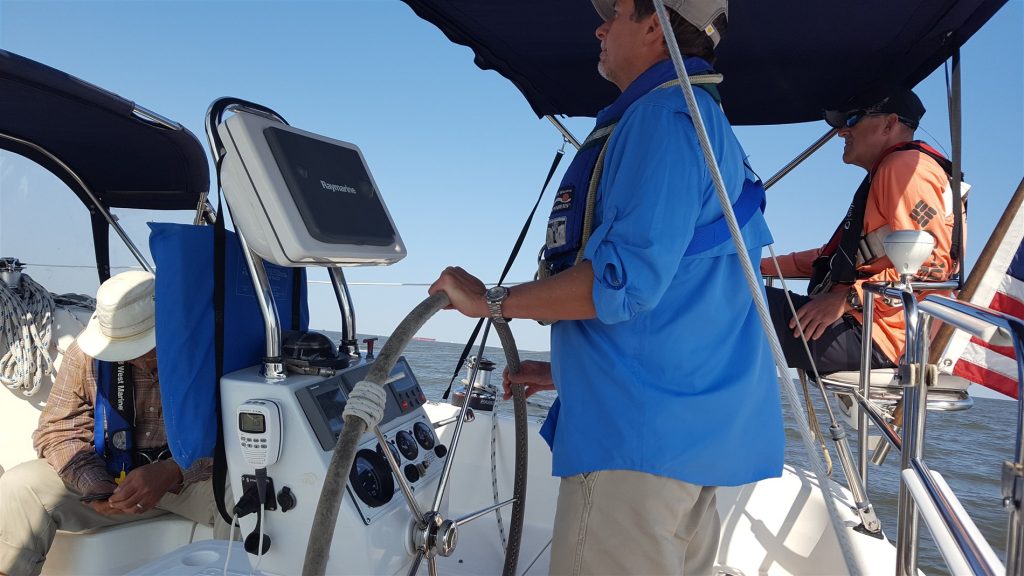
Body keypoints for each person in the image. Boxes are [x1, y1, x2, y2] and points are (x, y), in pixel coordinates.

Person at [429, 0, 784, 574]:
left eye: (615, 13)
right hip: (691, 439)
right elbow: (684, 293)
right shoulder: (703, 121)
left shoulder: (662, 121)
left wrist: (491, 302)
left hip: (636, 444)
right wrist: (567, 373)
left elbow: (624, 282)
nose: (599, 27)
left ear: (655, 25)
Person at [0, 271, 228, 576]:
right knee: (20, 486)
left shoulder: (217, 354)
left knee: (248, 500)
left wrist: (171, 471)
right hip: (110, 476)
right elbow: (58, 429)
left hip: (192, 482)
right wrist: (93, 483)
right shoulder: (84, 354)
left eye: (142, 348)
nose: (135, 359)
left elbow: (238, 440)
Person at [762, 88, 961, 375]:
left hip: (874, 337)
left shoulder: (905, 168)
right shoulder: (891, 171)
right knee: (731, 292)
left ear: (890, 124)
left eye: (853, 119)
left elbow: (931, 268)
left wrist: (846, 299)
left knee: (725, 297)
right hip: (867, 327)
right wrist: (755, 264)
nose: (843, 132)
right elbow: (834, 259)